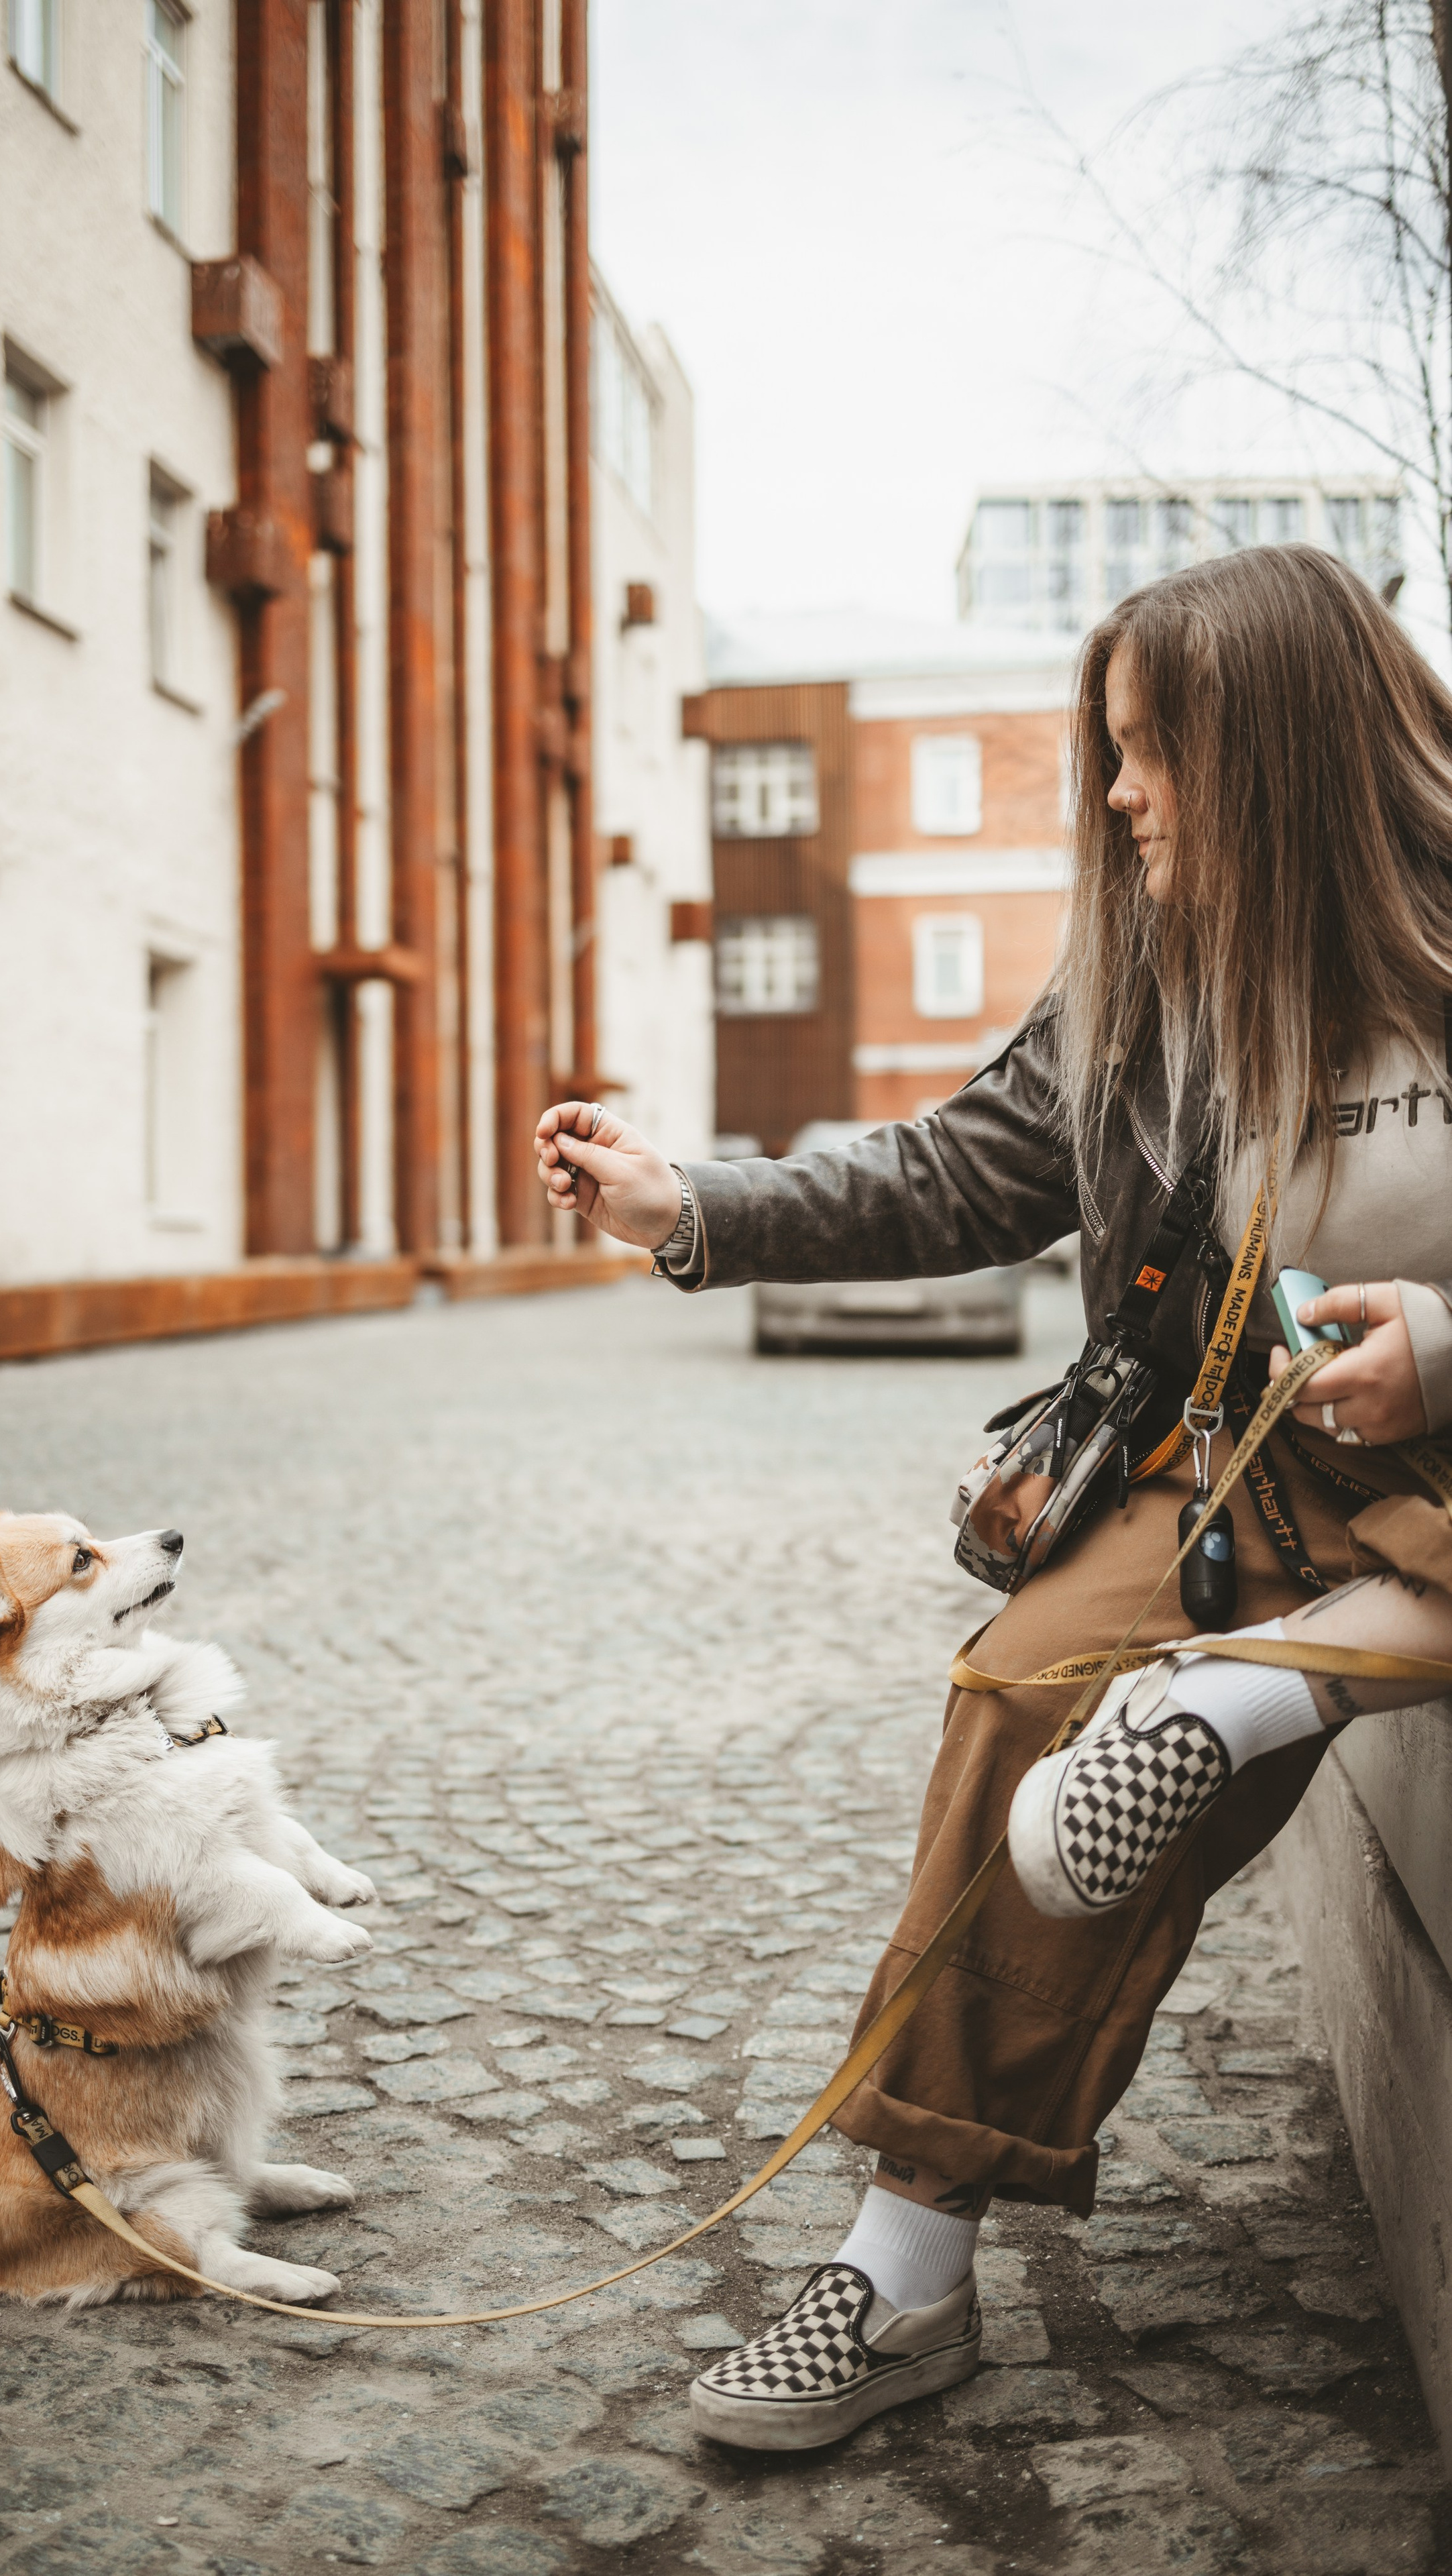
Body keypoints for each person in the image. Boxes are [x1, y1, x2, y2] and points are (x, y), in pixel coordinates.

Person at [534, 543, 1452, 2453]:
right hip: (1254, 1472)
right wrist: (685, 1205)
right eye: (1108, 751)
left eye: (1149, 753)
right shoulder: (1152, 984)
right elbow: (952, 1171)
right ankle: (905, 2271)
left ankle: (1258, 1687)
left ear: (1272, 750)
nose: (1116, 796)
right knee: (1021, 1691)